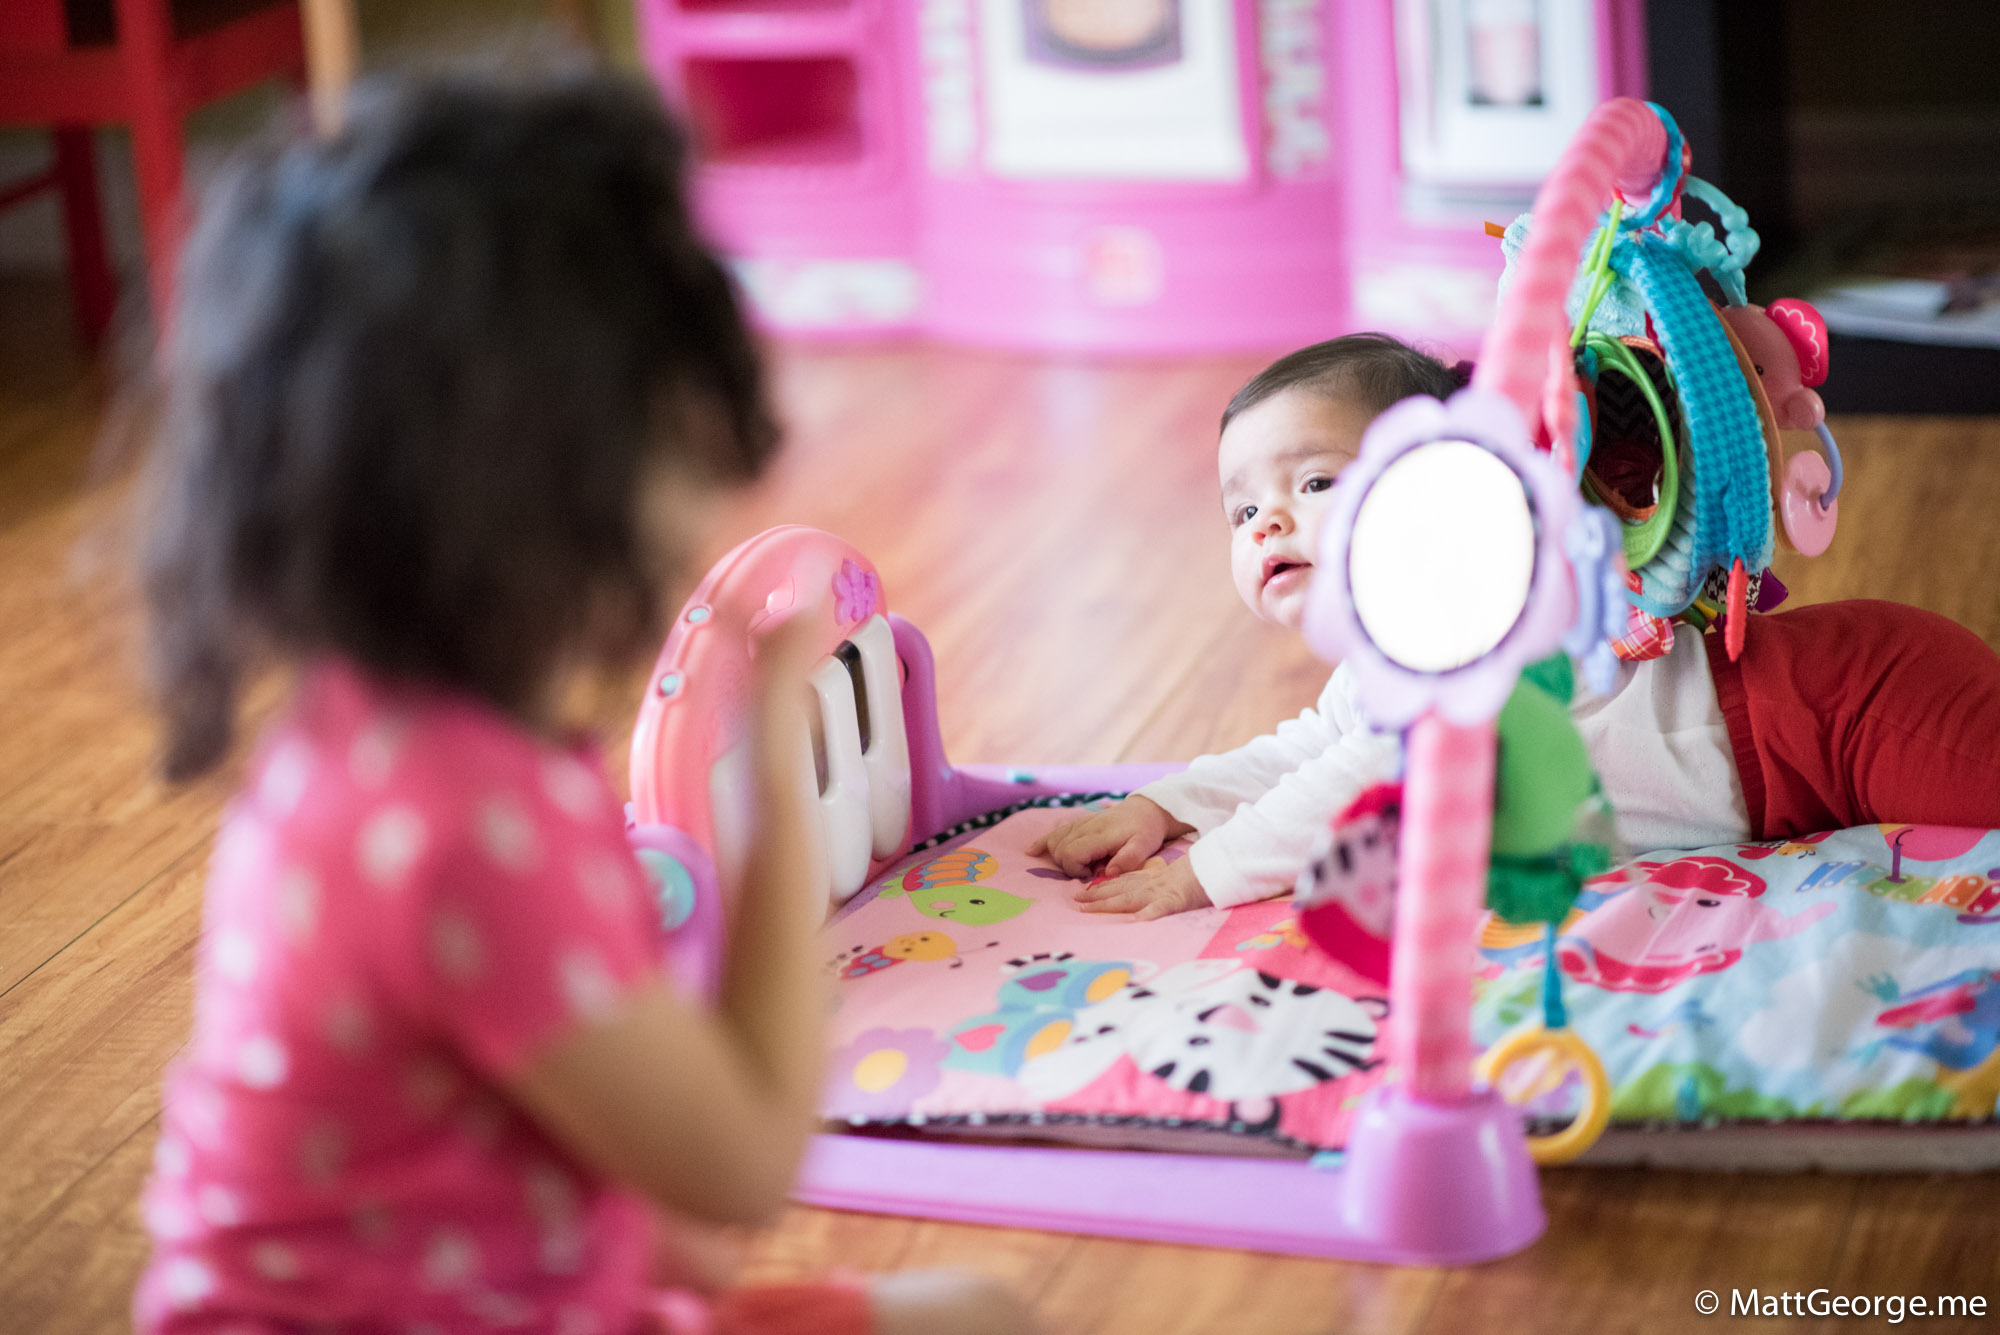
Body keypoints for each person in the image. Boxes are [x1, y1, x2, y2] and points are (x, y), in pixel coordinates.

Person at [133, 68, 1036, 1335]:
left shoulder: (364, 738)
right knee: (984, 1317)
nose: (706, 477)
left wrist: (637, 1237)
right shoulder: (463, 825)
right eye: (673, 428)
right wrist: (776, 787)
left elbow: (486, 1095)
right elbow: (748, 1166)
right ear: (545, 472)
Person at [1031, 332, 2000, 919]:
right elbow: (1310, 750)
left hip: (1842, 714)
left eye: (1314, 482)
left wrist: (1204, 875)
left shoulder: (1468, 623)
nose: (1265, 525)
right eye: (1242, 509)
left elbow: (1360, 777)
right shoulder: (1386, 663)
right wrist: (1167, 806)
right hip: (1794, 762)